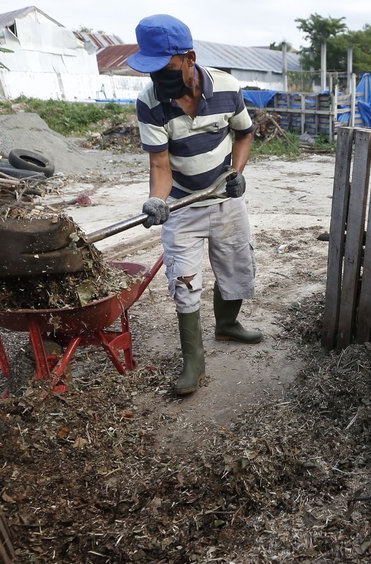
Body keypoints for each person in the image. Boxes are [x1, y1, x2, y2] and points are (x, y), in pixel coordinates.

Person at [127, 14, 262, 397]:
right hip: (181, 206)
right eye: (152, 71)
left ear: (190, 58)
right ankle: (194, 360)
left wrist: (236, 173)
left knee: (235, 265)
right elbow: (160, 164)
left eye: (166, 69)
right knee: (184, 280)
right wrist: (156, 200)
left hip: (224, 199)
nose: (159, 79)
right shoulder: (150, 102)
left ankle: (227, 325)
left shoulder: (227, 87)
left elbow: (245, 133)